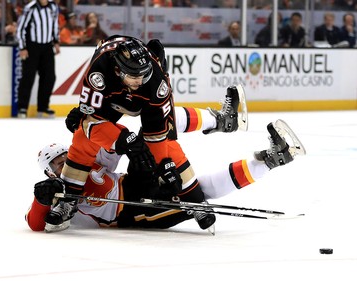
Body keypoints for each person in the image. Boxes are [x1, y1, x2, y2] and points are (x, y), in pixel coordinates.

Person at [45, 35, 244, 233]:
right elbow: (91, 123)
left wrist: (164, 164)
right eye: (134, 76)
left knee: (167, 137)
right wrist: (124, 141)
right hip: (111, 97)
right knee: (82, 135)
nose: (140, 80)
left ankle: (218, 127)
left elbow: (158, 132)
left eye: (143, 74)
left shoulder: (155, 83)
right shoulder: (100, 70)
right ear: (118, 69)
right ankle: (69, 200)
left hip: (146, 99)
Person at [26, 106, 306, 232]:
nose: (63, 164)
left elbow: (110, 138)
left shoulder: (89, 161)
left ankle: (219, 119)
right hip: (132, 212)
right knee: (200, 191)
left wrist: (88, 122)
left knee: (157, 126)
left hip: (135, 183)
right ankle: (270, 160)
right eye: (56, 163)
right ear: (49, 172)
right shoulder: (57, 194)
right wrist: (41, 201)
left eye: (64, 157)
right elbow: (38, 223)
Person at [16, 0, 60, 119]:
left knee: (49, 77)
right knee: (28, 76)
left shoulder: (53, 6)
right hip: (32, 46)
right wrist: (23, 47)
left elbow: (54, 24)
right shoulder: (30, 8)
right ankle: (22, 107)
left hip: (47, 46)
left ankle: (43, 107)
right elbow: (21, 28)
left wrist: (56, 41)